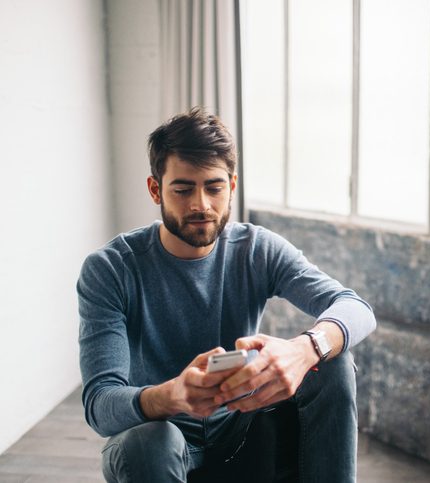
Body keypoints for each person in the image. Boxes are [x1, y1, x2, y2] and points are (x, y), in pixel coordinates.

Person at [77, 107, 376, 482]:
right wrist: (170, 395)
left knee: (332, 360)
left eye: (214, 188)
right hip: (162, 438)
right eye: (183, 189)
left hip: (243, 425)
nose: (201, 204)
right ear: (156, 189)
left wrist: (304, 349)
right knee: (149, 441)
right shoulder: (110, 269)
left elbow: (356, 308)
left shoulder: (255, 248)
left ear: (232, 186)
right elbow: (100, 404)